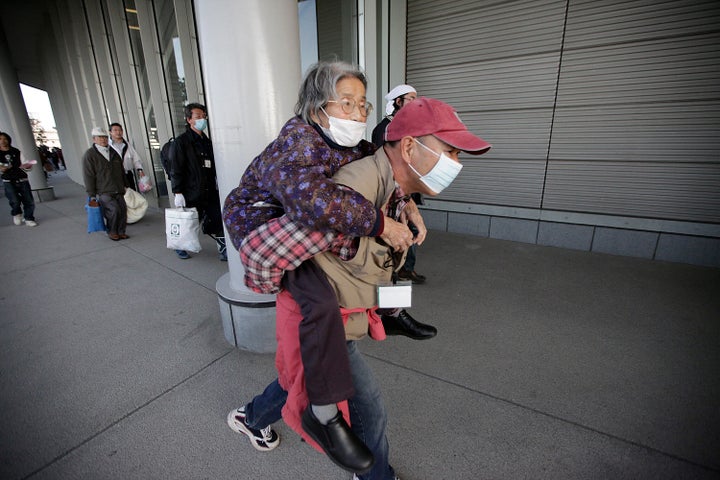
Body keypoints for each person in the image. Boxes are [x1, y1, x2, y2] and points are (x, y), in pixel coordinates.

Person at [227, 97, 491, 480]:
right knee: (365, 406)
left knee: (295, 380)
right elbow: (267, 248)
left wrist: (405, 211)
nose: (456, 162)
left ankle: (250, 417)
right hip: (321, 318)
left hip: (348, 305)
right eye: (449, 150)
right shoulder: (354, 186)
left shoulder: (392, 181)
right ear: (410, 146)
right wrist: (271, 282)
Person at [223, 61, 414, 473]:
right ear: (316, 108)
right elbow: (315, 201)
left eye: (363, 105)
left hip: (307, 230)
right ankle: (324, 417)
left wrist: (407, 203)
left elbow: (384, 167)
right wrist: (382, 222)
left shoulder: (349, 145)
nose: (359, 114)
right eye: (346, 103)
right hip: (269, 227)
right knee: (322, 304)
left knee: (382, 262)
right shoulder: (297, 142)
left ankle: (392, 311)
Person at [169, 103, 226, 260]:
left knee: (217, 219)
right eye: (198, 116)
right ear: (189, 119)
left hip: (210, 190)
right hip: (191, 191)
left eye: (204, 116)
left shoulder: (207, 141)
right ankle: (180, 246)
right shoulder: (181, 143)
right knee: (190, 221)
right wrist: (178, 192)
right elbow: (176, 169)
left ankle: (223, 248)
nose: (202, 119)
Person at [82, 127, 129, 241]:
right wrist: (91, 194)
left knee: (122, 210)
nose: (103, 139)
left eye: (105, 137)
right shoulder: (90, 155)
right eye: (100, 137)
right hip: (104, 189)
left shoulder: (113, 152)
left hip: (118, 188)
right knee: (113, 210)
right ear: (94, 139)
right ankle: (112, 231)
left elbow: (121, 170)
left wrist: (126, 184)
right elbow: (88, 175)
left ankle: (121, 231)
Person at [0, 132, 37, 227]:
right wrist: (2, 169)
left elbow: (24, 164)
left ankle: (29, 218)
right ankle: (17, 213)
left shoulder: (16, 151)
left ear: (8, 140)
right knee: (14, 200)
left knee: (29, 200)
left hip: (22, 178)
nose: (3, 141)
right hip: (8, 180)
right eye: (0, 139)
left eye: (5, 139)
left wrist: (28, 166)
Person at [109, 122, 146, 191]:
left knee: (132, 193)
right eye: (115, 130)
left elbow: (135, 157)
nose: (118, 132)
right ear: (110, 132)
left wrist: (140, 170)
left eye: (120, 130)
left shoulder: (126, 144)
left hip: (127, 174)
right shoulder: (108, 146)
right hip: (114, 176)